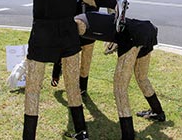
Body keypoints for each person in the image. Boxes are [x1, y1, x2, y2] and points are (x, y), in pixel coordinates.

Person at [9, 10, 166, 140]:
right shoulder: (83, 19)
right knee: (142, 77)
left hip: (132, 38)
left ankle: (128, 135)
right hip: (147, 30)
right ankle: (158, 112)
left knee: (120, 89)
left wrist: (54, 72)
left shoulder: (76, 26)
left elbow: (60, 51)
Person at [17, 0, 88, 140]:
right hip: (69, 29)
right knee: (73, 86)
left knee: (34, 87)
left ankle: (29, 137)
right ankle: (82, 132)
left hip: (43, 31)